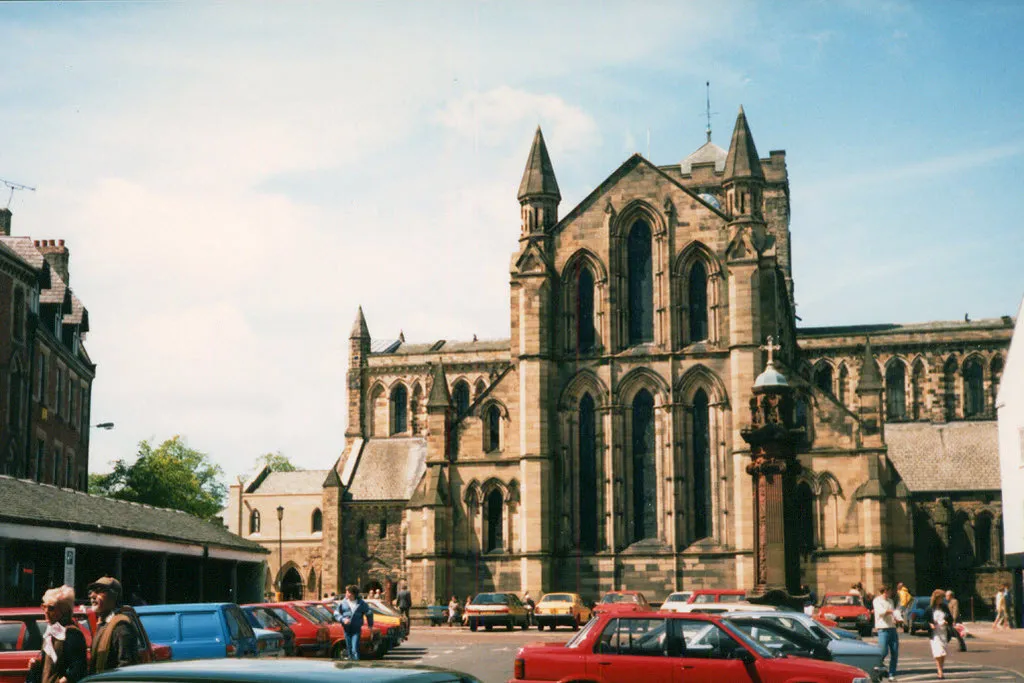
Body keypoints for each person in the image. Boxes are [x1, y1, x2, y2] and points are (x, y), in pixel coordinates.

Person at [26, 586, 87, 683]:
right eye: (44, 606)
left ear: (64, 610)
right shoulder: (50, 631)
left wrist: (63, 681)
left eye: (51, 608)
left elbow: (78, 668)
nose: (46, 611)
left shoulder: (71, 633)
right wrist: (37, 664)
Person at [86, 577, 140, 674]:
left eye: (99, 591)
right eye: (91, 592)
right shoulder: (103, 623)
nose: (92, 596)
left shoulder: (121, 626)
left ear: (114, 596)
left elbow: (126, 666)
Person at [334, 585, 373, 660]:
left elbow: (369, 613)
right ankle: (351, 664)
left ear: (352, 594)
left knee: (354, 648)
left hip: (356, 629)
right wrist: (343, 619)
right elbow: (336, 613)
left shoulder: (361, 603)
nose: (346, 593)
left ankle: (355, 664)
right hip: (346, 629)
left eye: (347, 592)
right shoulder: (343, 603)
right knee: (349, 649)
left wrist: (370, 625)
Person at [873, 585, 900, 682]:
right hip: (883, 628)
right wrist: (892, 611)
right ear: (885, 591)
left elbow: (892, 614)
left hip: (892, 628)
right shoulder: (877, 600)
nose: (891, 593)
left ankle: (892, 674)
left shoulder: (890, 601)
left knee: (895, 652)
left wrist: (896, 618)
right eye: (890, 591)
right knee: (883, 651)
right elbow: (881, 612)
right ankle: (878, 667)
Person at [928, 589, 954, 680]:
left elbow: (950, 618)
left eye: (942, 598)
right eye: (940, 598)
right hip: (935, 633)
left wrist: (947, 621)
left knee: (943, 653)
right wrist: (930, 624)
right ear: (936, 598)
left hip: (944, 632)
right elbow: (926, 620)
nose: (942, 600)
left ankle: (941, 669)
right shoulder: (930, 608)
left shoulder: (944, 607)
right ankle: (940, 671)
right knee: (938, 652)